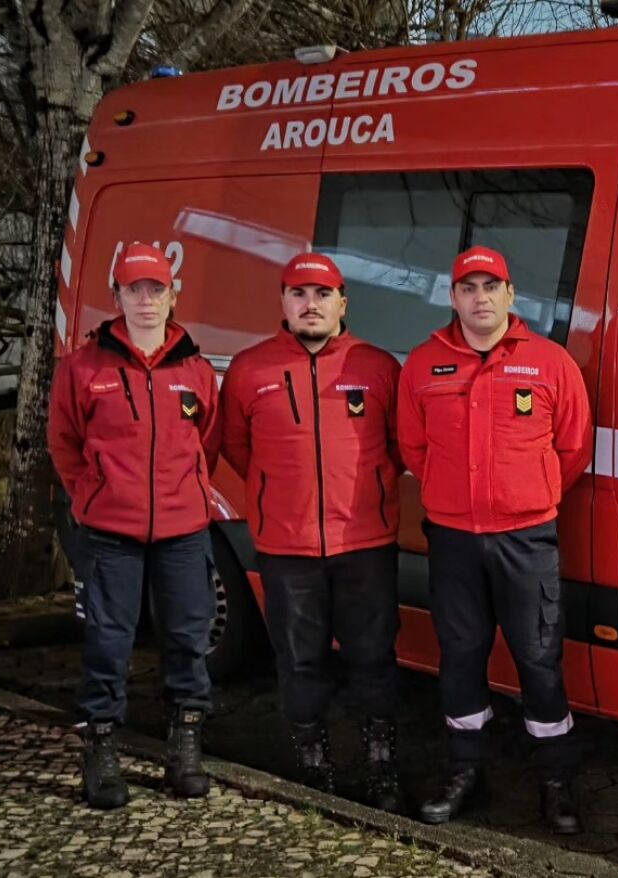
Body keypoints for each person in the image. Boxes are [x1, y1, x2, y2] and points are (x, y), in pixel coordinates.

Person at [397, 245, 591, 832]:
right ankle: (464, 772)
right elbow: (413, 447)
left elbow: (573, 447)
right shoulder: (423, 365)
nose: (479, 298)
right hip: (454, 539)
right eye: (467, 288)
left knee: (538, 659)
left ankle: (556, 780)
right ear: (452, 297)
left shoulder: (551, 363)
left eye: (491, 287)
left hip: (526, 539)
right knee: (459, 657)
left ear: (510, 296)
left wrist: (526, 493)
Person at [218, 253, 404, 810]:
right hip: (286, 545)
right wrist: (282, 492)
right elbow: (235, 446)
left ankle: (380, 761)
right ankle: (312, 762)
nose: (311, 305)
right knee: (300, 659)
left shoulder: (376, 367)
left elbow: (398, 446)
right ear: (283, 303)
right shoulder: (250, 370)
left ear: (344, 302)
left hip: (365, 541)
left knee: (373, 655)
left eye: (323, 294)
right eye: (299, 294)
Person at [48, 243, 220, 809]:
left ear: (174, 294)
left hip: (183, 528)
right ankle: (100, 745)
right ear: (116, 296)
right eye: (133, 290)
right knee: (108, 640)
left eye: (156, 289)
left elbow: (208, 443)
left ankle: (185, 743)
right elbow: (64, 443)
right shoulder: (83, 367)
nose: (146, 300)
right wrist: (91, 495)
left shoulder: (196, 369)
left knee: (188, 637)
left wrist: (185, 493)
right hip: (109, 531)